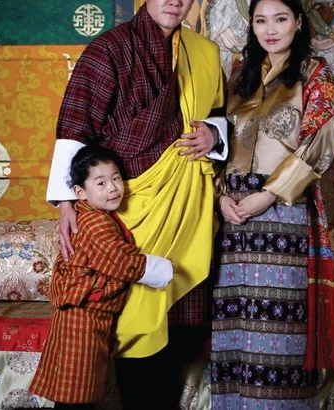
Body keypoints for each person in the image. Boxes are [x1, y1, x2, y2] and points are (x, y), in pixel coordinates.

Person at [44, 0, 228, 407]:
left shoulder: (205, 52)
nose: (174, 1)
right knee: (126, 311)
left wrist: (214, 135)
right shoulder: (109, 48)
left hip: (186, 207)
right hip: (127, 207)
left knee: (178, 319)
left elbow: (220, 113)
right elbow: (76, 123)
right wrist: (67, 201)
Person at [210, 0, 334, 407]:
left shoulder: (315, 74)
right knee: (235, 328)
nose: (270, 29)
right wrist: (220, 197)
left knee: (277, 329)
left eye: (280, 19)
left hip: (283, 213)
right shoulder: (238, 76)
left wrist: (269, 194)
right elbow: (218, 143)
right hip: (233, 221)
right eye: (261, 20)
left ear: (298, 22)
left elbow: (320, 143)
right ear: (252, 25)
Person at [30, 145, 174, 409]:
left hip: (86, 315)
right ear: (80, 193)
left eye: (116, 178)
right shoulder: (94, 222)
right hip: (81, 318)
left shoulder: (95, 215)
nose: (113, 188)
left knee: (76, 391)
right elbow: (122, 261)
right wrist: (165, 269)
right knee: (75, 394)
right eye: (101, 183)